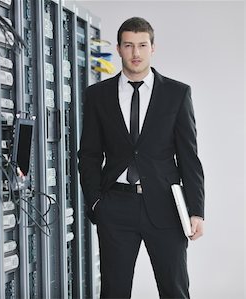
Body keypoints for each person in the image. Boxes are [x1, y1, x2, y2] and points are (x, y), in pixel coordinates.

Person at [78, 17, 204, 299]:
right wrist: (96, 201)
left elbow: (189, 156)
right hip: (115, 207)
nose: (136, 53)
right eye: (129, 45)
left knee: (174, 289)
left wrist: (196, 210)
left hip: (166, 206)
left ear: (152, 48)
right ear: (120, 49)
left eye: (142, 45)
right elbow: (88, 154)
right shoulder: (97, 95)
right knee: (114, 291)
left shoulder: (177, 93)